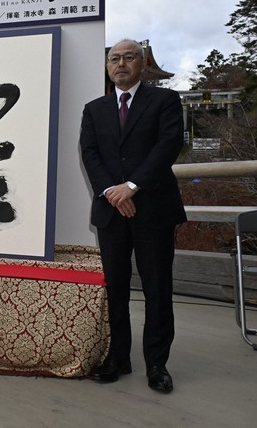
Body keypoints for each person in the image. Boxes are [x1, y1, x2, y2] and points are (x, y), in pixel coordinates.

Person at [80, 39, 186, 393]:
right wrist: (114, 192)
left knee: (157, 289)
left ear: (142, 64)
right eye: (114, 59)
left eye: (128, 58)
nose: (120, 64)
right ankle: (118, 358)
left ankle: (157, 364)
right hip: (112, 211)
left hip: (153, 209)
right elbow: (90, 154)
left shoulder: (165, 100)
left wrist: (133, 185)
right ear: (107, 67)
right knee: (116, 289)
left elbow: (168, 145)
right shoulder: (95, 108)